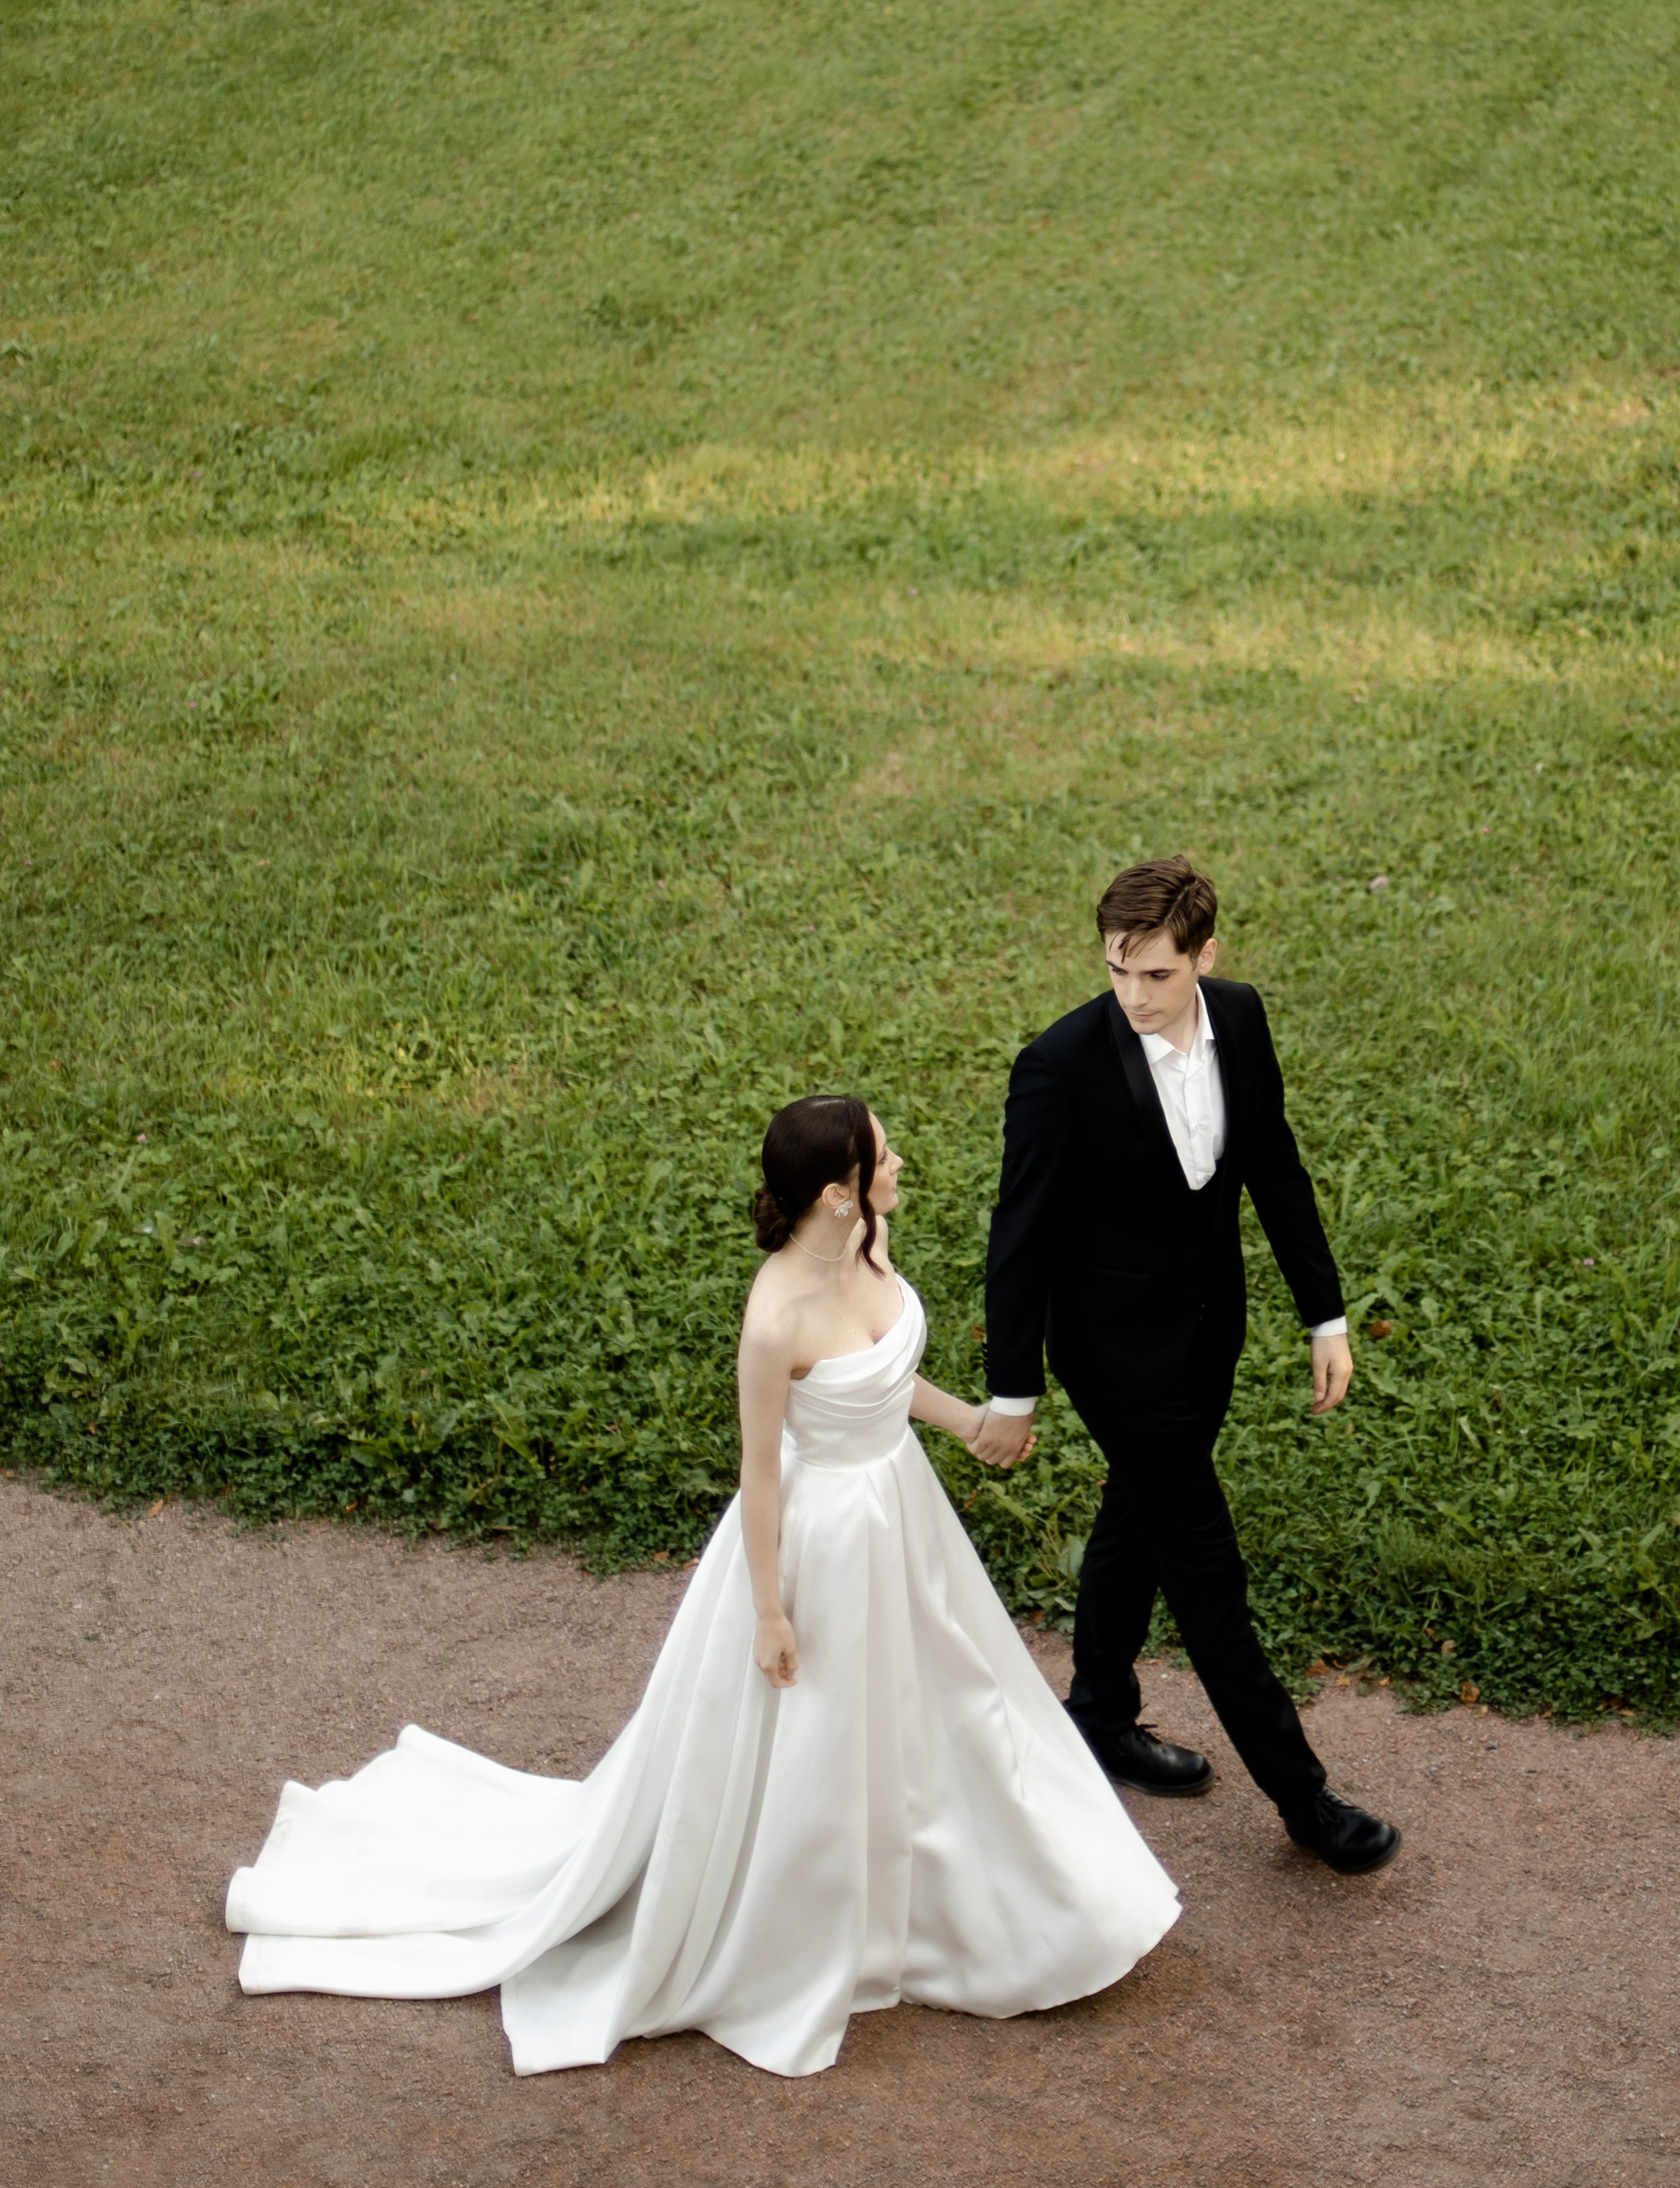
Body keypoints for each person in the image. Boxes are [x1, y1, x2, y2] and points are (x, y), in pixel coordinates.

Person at [227, 1097, 1179, 2078]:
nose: (901, 1165)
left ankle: (995, 1903)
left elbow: (882, 1381)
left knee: (956, 1705)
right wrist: (768, 1610)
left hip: (901, 1512)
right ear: (835, 1194)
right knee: (829, 1732)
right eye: (885, 1156)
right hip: (820, 1544)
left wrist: (964, 1422)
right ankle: (827, 1919)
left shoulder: (869, 1240)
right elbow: (761, 1474)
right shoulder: (774, 1319)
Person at [977, 857, 1402, 1875]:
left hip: (1211, 1334)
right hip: (1115, 1355)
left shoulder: (1242, 1021)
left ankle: (1098, 1716)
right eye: (1117, 971)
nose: (1133, 996)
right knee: (1208, 1575)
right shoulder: (1059, 1065)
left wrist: (1325, 1315)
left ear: (1205, 956)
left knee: (1137, 1514)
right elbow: (1018, 1235)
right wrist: (1013, 1387)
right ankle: (1306, 1806)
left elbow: (1274, 1165)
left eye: (1157, 975)